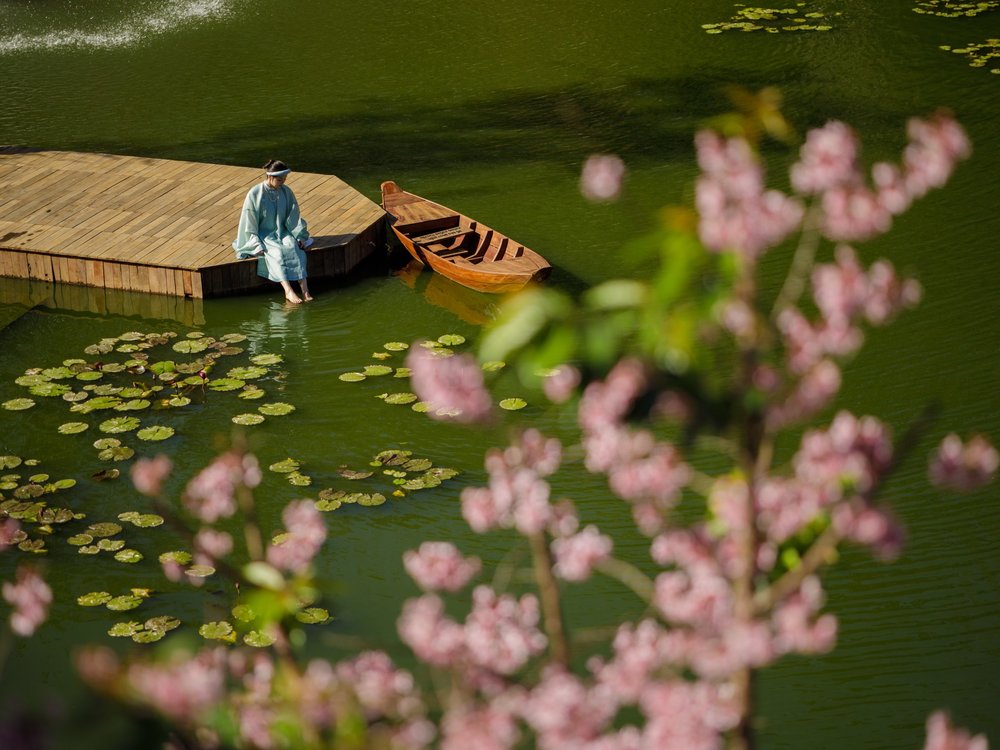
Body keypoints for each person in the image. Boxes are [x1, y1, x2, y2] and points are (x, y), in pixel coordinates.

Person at [233, 159, 315, 303]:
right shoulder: (255, 193)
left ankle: (305, 290)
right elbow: (249, 221)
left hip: (284, 232)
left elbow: (294, 215)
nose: (283, 182)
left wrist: (300, 236)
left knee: (295, 249)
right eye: (280, 179)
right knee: (276, 253)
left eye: (284, 179)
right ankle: (288, 291)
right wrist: (255, 243)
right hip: (264, 235)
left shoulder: (286, 191)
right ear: (270, 177)